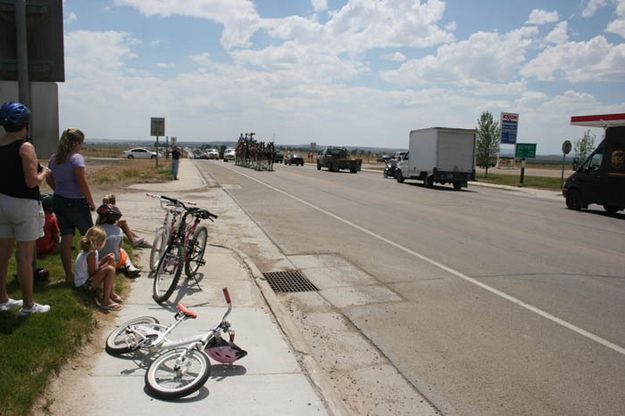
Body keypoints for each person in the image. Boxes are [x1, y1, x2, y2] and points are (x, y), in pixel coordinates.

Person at [0, 101, 51, 316]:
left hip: (2, 202)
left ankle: (2, 299)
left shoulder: (1, 145)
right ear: (25, 125)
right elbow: (32, 181)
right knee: (24, 256)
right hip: (23, 204)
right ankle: (28, 305)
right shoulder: (25, 147)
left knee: (3, 255)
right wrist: (45, 173)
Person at [46, 128, 96, 283]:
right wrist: (90, 201)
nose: (81, 146)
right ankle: (92, 272)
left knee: (66, 238)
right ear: (75, 143)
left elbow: (49, 179)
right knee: (90, 236)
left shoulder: (54, 159)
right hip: (76, 201)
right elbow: (81, 182)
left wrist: (59, 190)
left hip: (59, 200)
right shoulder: (76, 159)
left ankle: (69, 274)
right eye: (81, 142)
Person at [74, 226, 122, 311]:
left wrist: (104, 259)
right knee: (110, 269)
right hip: (83, 286)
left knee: (111, 264)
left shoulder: (88, 249)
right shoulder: (91, 253)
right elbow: (92, 273)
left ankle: (110, 293)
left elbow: (93, 268)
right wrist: (105, 265)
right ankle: (105, 301)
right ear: (99, 242)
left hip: (87, 281)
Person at [96, 203, 141, 278]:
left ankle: (130, 267)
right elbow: (119, 247)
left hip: (99, 262)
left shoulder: (96, 230)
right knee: (122, 251)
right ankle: (130, 267)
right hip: (115, 262)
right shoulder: (119, 230)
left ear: (103, 218)